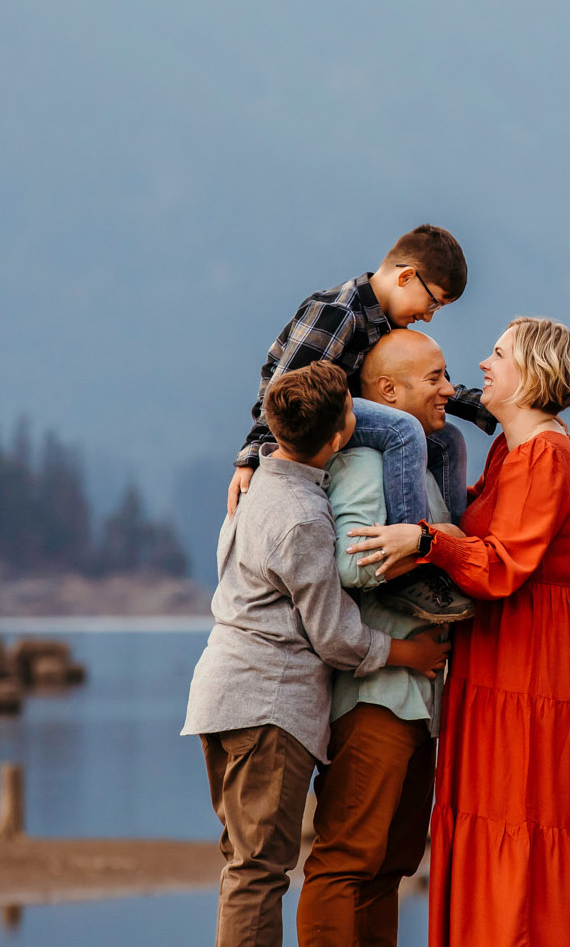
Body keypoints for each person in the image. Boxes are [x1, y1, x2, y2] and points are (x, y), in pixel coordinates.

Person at [346, 317, 570, 947]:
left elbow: (500, 565)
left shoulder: (546, 454)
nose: (484, 365)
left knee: (525, 812)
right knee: (500, 814)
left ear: (532, 375)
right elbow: (481, 533)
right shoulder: (511, 449)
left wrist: (428, 539)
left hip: (533, 659)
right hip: (500, 655)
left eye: (498, 354)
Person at [182, 362, 395, 947]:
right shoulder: (303, 517)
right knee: (259, 871)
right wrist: (404, 651)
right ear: (337, 438)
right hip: (268, 706)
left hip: (220, 695)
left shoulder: (253, 487)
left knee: (243, 860)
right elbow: (335, 635)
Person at [299, 329, 467, 947]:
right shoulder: (368, 463)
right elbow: (348, 564)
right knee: (346, 860)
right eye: (434, 378)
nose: (448, 389)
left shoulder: (420, 463)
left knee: (391, 865)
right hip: (373, 698)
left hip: (418, 702)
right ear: (388, 391)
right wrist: (424, 559)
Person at [228, 224, 487, 623]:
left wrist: (496, 406)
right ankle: (411, 565)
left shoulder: (393, 323)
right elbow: (284, 388)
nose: (429, 317)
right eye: (432, 303)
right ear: (405, 277)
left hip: (356, 413)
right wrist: (253, 452)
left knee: (448, 440)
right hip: (324, 414)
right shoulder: (338, 311)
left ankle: (450, 555)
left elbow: (432, 386)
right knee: (405, 429)